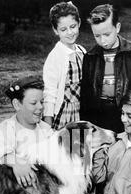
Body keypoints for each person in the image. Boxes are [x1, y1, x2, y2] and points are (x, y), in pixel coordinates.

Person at [80, 4, 131, 136]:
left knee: (127, 153)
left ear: (118, 27)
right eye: (97, 36)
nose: (103, 41)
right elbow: (85, 99)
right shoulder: (89, 58)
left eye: (107, 34)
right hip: (99, 117)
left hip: (126, 116)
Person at [43, 1, 86, 130]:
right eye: (63, 29)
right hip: (65, 114)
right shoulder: (55, 57)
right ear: (55, 30)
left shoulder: (82, 52)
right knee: (65, 148)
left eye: (73, 26)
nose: (69, 32)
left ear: (79, 23)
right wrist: (47, 123)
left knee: (81, 147)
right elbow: (50, 92)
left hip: (82, 110)